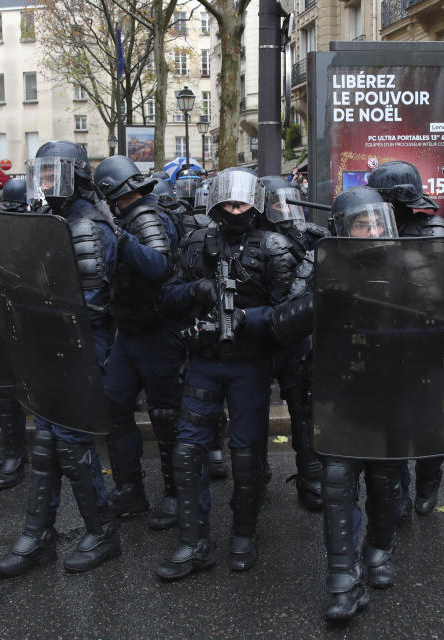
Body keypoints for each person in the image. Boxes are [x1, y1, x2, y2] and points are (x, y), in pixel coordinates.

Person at [156, 169, 297, 579]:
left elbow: (292, 313)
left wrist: (245, 318)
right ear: (216, 205)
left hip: (250, 364)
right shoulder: (198, 241)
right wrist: (197, 291)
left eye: (241, 204)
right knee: (186, 450)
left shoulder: (274, 247)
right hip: (203, 360)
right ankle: (193, 541)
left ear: (254, 205)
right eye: (228, 204)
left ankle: (244, 532)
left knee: (246, 453)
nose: (235, 211)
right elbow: (167, 298)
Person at [0, 141, 122, 576]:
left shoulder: (87, 226)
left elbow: (91, 305)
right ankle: (38, 535)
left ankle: (102, 531)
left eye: (54, 175)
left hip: (80, 349)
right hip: (47, 345)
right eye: (42, 175)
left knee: (71, 444)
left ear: (76, 176)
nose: (45, 183)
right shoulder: (52, 221)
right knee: (46, 444)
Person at [315, 185, 408, 621]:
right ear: (342, 229)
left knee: (385, 481)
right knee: (337, 478)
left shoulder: (409, 267)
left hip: (392, 393)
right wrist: (324, 297)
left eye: (375, 222)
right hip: (341, 391)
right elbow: (284, 322)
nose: (370, 231)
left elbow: (437, 323)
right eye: (360, 224)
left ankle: (378, 550)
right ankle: (343, 579)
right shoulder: (321, 267)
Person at [93, 155, 184, 529]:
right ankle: (130, 491)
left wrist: (119, 236)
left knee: (166, 417)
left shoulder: (144, 217)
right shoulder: (131, 216)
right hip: (129, 330)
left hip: (156, 331)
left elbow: (158, 266)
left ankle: (179, 496)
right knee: (114, 408)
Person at [367, 160, 444, 519]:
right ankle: (397, 487)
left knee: (429, 420)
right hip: (384, 338)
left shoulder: (433, 228)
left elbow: (440, 286)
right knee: (392, 421)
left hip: (425, 339)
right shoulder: (369, 227)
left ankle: (429, 479)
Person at [259, 175, 327, 510]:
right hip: (258, 337)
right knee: (252, 409)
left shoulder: (308, 238)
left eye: (287, 201)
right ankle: (254, 473)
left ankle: (310, 477)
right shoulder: (250, 237)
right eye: (275, 203)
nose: (283, 210)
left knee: (304, 409)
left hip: (296, 339)